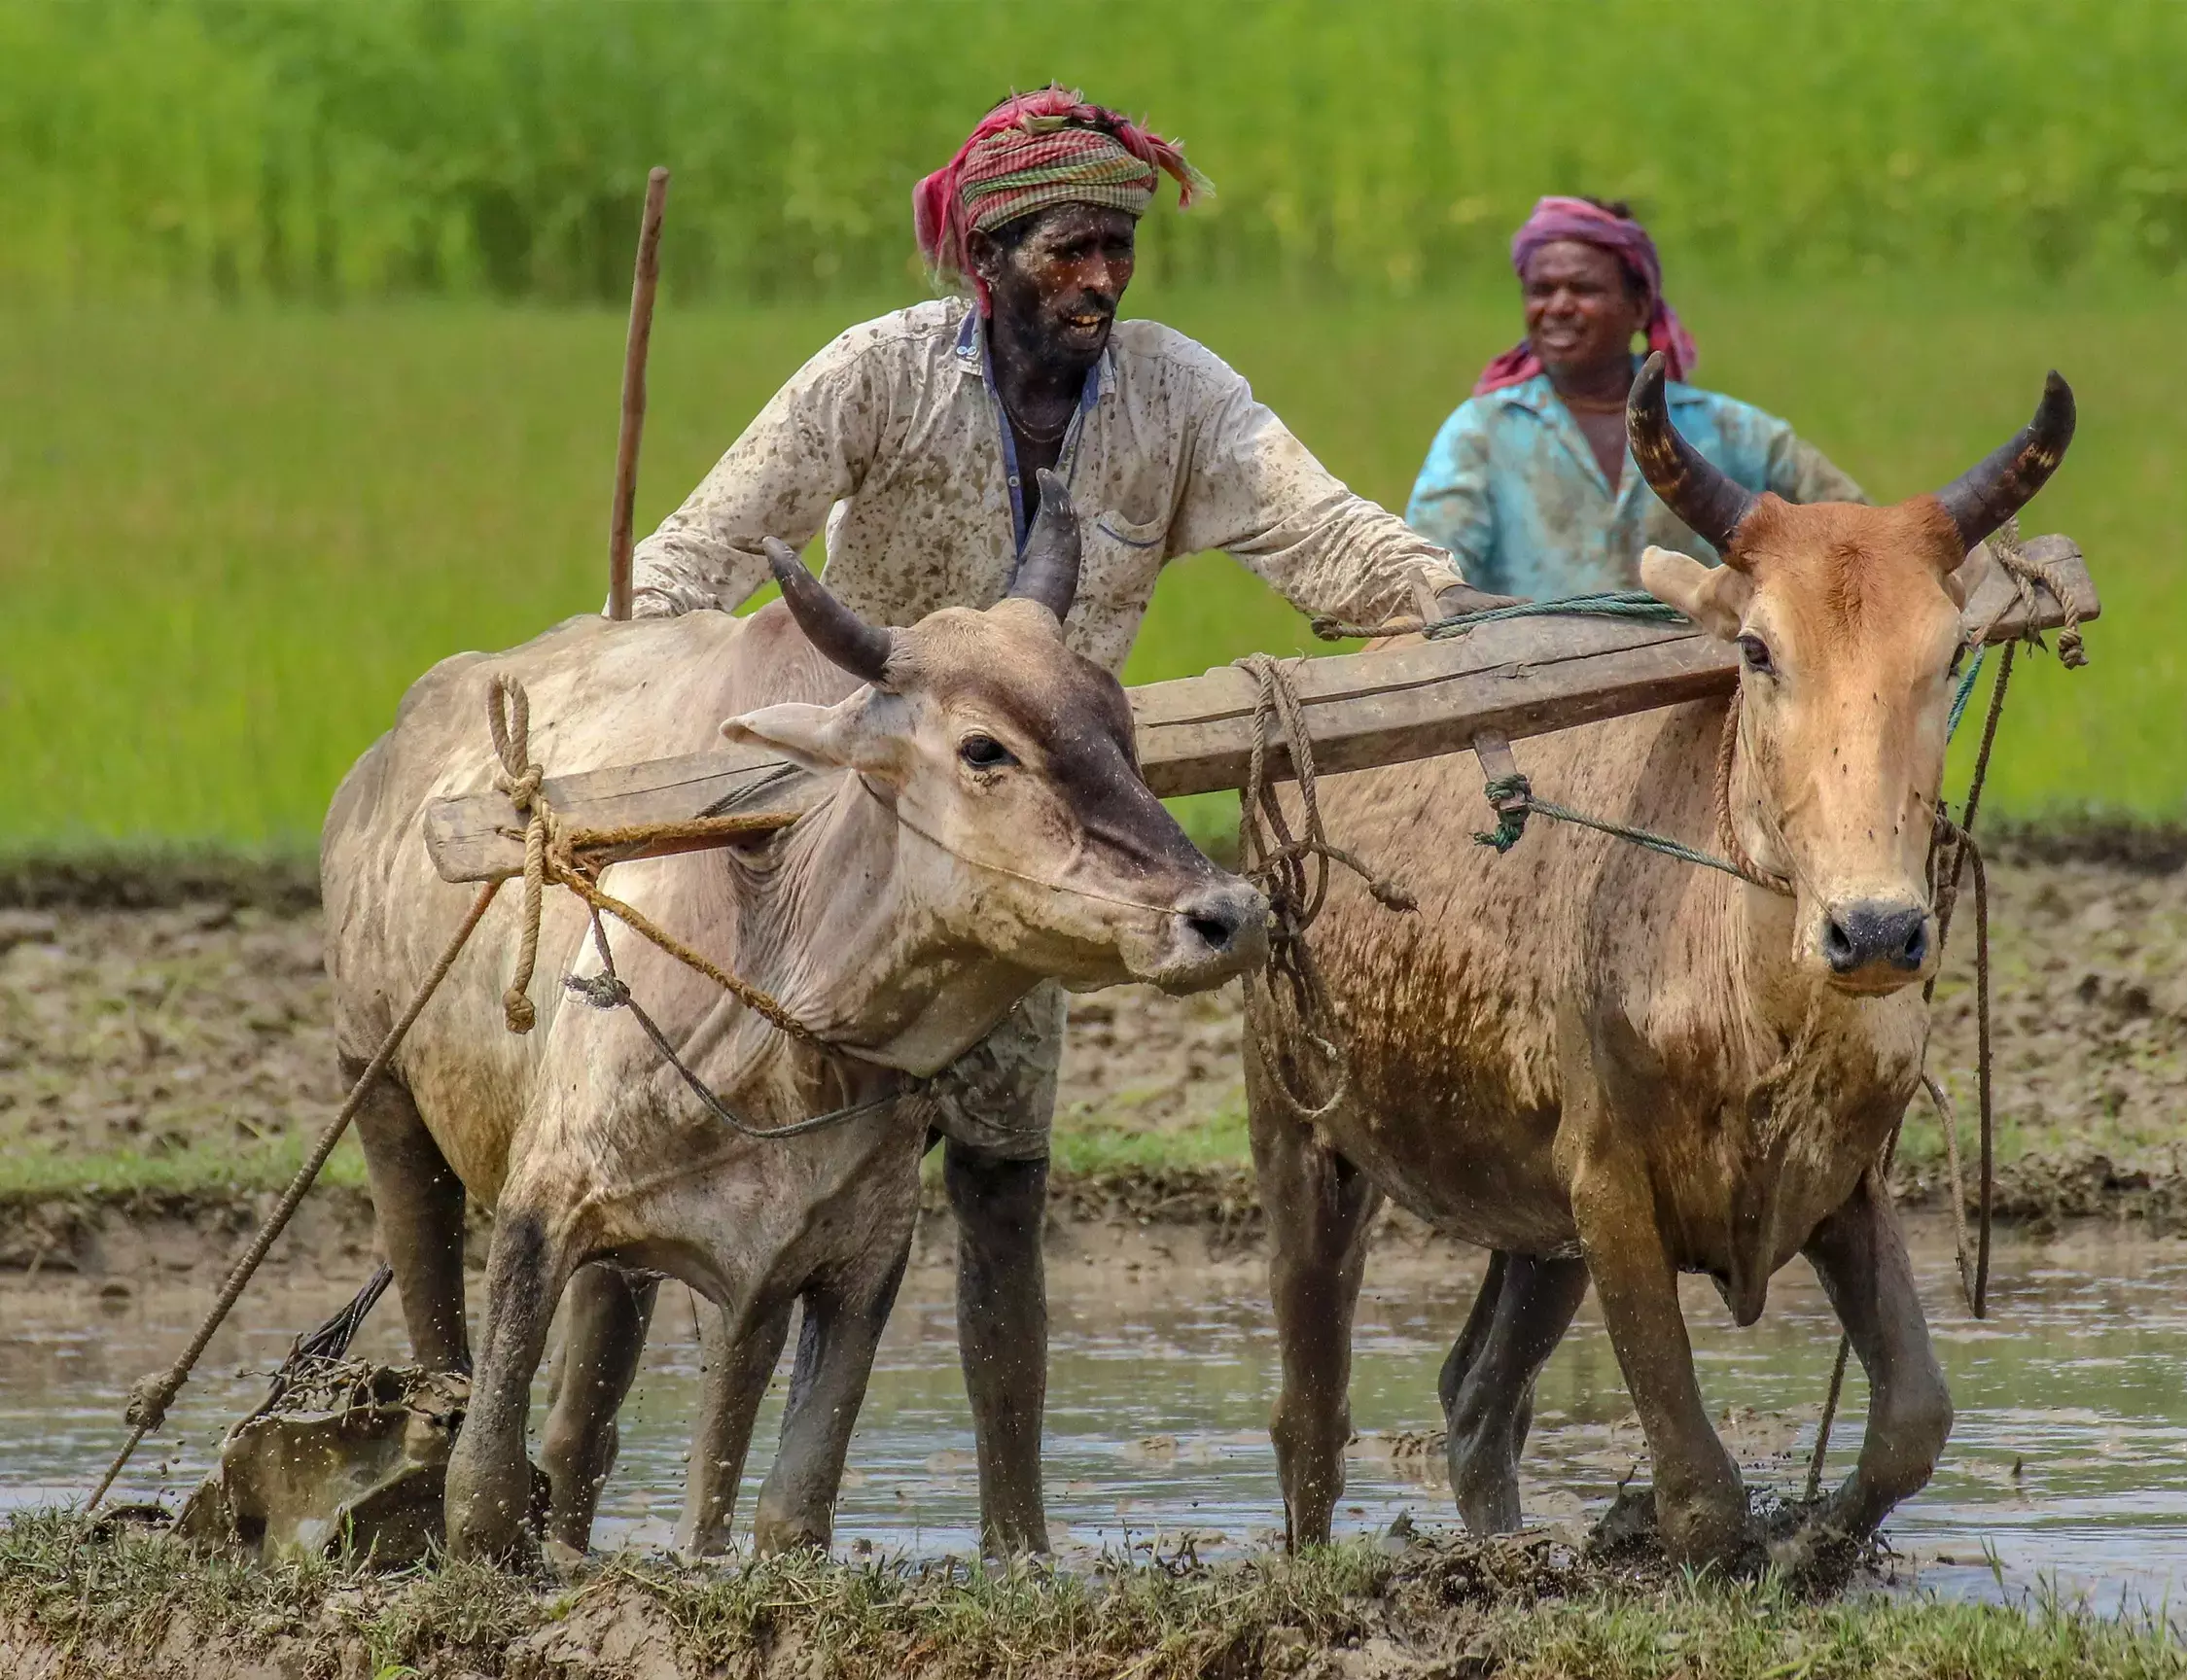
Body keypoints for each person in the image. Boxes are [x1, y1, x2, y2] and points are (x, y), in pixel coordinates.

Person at [627, 88, 1500, 1552]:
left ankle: (1015, 1537)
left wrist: (1466, 619)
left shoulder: (1174, 399)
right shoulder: (880, 380)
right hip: (852, 827)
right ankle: (623, 1482)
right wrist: (628, 693)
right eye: (1065, 251)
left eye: (1118, 248)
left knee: (1002, 1189)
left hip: (1029, 848)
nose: (1099, 279)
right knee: (735, 1169)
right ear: (987, 259)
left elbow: (1324, 534)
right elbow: (697, 560)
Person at [1406, 196, 1863, 598]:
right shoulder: (1482, 433)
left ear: (1640, 307)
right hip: (1530, 680)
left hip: (1706, 681)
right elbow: (1427, 576)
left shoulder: (1730, 430)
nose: (1558, 306)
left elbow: (1857, 531)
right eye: (1541, 290)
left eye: (1583, 289)